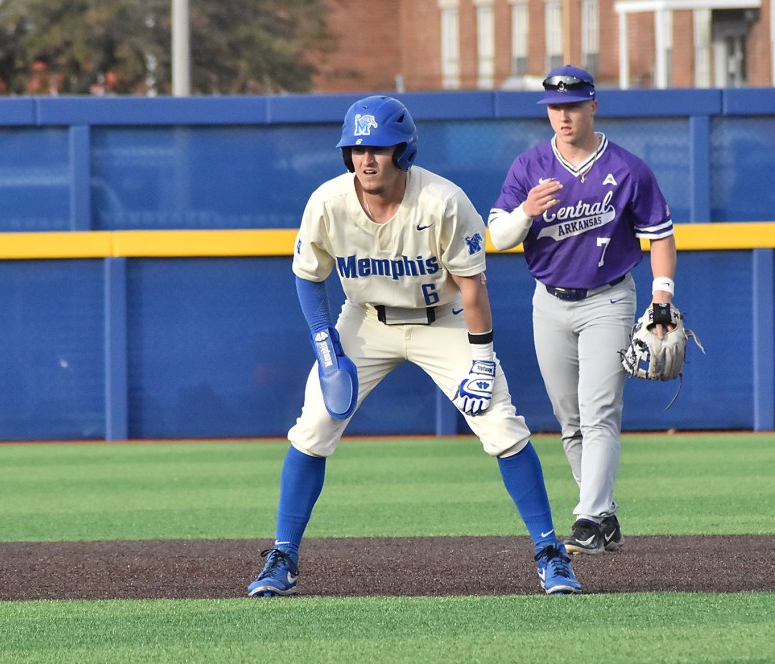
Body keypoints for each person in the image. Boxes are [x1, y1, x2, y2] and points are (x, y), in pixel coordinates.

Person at [246, 95, 582, 597]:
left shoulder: (443, 201)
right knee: (313, 426)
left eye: (378, 148)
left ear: (403, 150)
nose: (366, 159)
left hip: (441, 321)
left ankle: (550, 552)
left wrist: (483, 359)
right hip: (364, 321)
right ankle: (283, 557)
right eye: (356, 148)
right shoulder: (328, 202)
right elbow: (307, 277)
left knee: (501, 425)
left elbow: (473, 289)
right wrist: (325, 347)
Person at [488, 66, 678, 555]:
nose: (563, 116)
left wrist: (661, 298)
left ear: (593, 105)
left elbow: (659, 235)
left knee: (599, 413)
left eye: (573, 105)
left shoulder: (628, 168)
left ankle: (588, 518)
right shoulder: (529, 168)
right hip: (548, 302)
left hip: (609, 299)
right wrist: (527, 210)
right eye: (555, 107)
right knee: (568, 419)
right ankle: (604, 512)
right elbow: (498, 236)